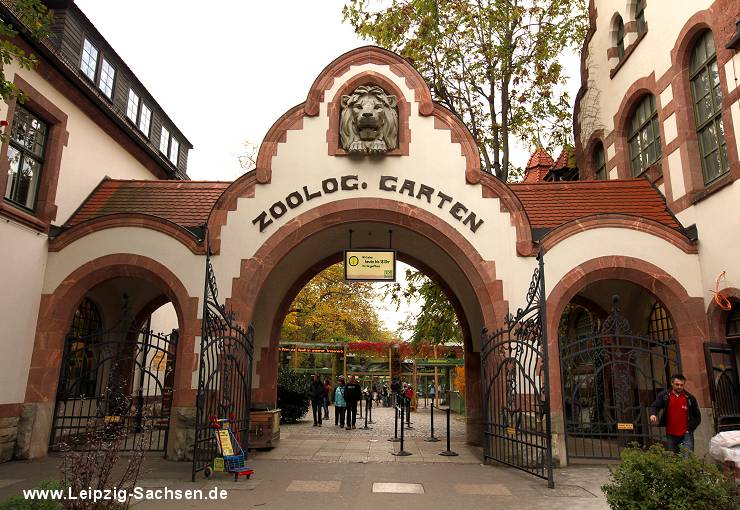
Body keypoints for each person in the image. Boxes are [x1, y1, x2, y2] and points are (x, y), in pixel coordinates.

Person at [649, 373, 701, 455]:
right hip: (671, 434)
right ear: (672, 383)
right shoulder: (665, 396)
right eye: (677, 384)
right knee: (673, 458)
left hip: (686, 434)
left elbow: (697, 416)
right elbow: (655, 406)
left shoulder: (689, 398)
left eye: (681, 385)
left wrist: (690, 429)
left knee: (687, 458)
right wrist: (653, 414)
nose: (679, 387)